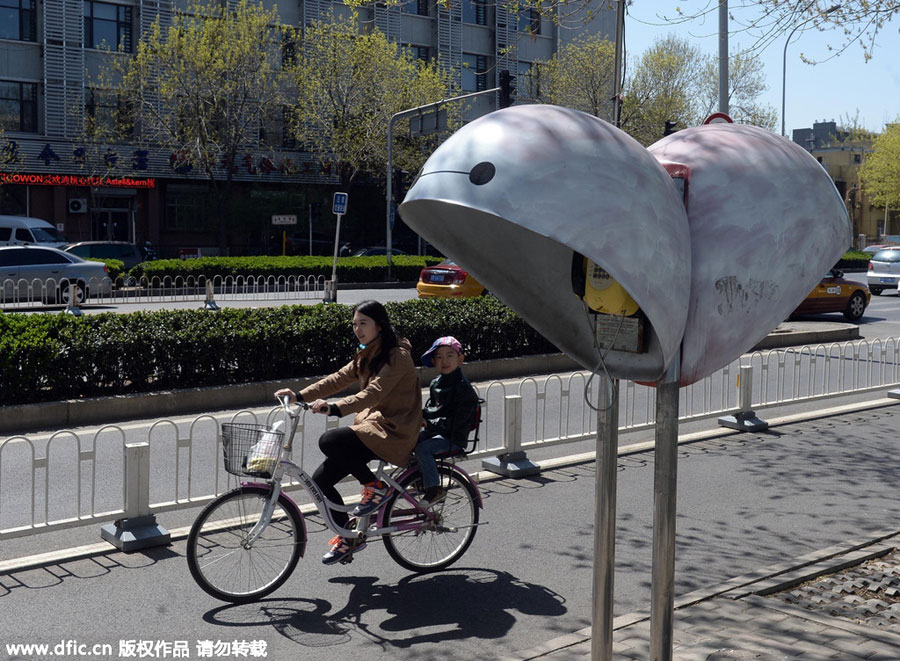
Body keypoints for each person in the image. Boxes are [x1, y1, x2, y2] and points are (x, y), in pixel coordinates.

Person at [275, 300, 422, 565]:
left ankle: (375, 487)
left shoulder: (397, 356)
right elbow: (338, 378)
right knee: (320, 480)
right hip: (374, 425)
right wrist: (298, 395)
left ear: (380, 325)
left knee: (330, 440)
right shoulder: (368, 352)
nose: (357, 329)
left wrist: (334, 408)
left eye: (363, 323)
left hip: (395, 428)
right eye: (354, 324)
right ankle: (350, 536)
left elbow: (373, 393)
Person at [416, 336, 479, 505]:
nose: (444, 361)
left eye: (449, 355)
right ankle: (418, 479)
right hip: (437, 433)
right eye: (439, 356)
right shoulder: (435, 383)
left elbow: (456, 422)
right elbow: (435, 410)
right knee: (409, 441)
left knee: (423, 449)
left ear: (460, 359)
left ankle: (434, 489)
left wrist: (428, 423)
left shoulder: (463, 388)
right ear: (434, 361)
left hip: (454, 437)